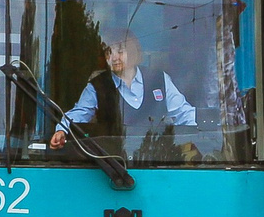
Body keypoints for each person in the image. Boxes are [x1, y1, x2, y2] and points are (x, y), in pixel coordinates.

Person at [55, 26, 195, 149]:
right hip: (115, 162)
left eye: (120, 51)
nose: (114, 57)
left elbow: (183, 112)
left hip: (158, 158)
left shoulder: (159, 79)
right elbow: (80, 113)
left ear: (133, 51)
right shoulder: (96, 86)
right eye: (109, 52)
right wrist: (62, 131)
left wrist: (199, 135)